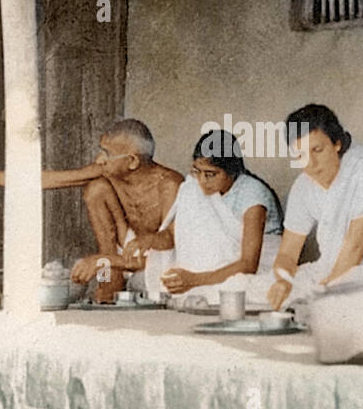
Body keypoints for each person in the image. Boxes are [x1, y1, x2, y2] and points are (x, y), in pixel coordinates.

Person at [0, 119, 183, 302]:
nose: (98, 159)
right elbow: (44, 180)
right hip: (126, 250)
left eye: (106, 154)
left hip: (159, 258)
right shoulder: (109, 171)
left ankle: (109, 269)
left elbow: (171, 241)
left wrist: (104, 259)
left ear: (131, 161)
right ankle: (110, 280)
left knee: (147, 275)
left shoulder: (169, 184)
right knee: (96, 189)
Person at [119, 130, 282, 303]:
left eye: (211, 174)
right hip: (203, 270)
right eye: (197, 171)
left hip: (254, 269)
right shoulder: (194, 188)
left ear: (233, 171)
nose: (202, 181)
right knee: (140, 281)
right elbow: (171, 236)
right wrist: (148, 240)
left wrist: (194, 280)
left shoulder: (253, 195)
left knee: (238, 288)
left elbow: (249, 265)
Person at [267, 104, 363, 311]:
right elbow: (288, 252)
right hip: (329, 269)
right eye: (301, 154)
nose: (311, 163)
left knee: (332, 303)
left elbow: (355, 248)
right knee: (250, 286)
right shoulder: (303, 185)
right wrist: (283, 280)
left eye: (318, 150)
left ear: (337, 144)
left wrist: (323, 292)